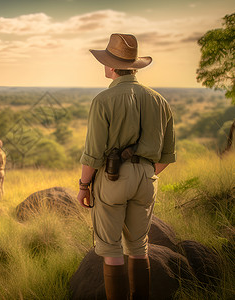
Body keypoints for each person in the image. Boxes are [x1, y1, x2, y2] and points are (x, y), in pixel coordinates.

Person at [77, 33, 176, 300]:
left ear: (110, 66)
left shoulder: (103, 100)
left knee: (111, 250)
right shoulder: (159, 101)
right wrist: (144, 173)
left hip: (112, 178)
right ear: (134, 67)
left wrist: (84, 186)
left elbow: (93, 153)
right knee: (139, 247)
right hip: (147, 177)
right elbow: (167, 155)